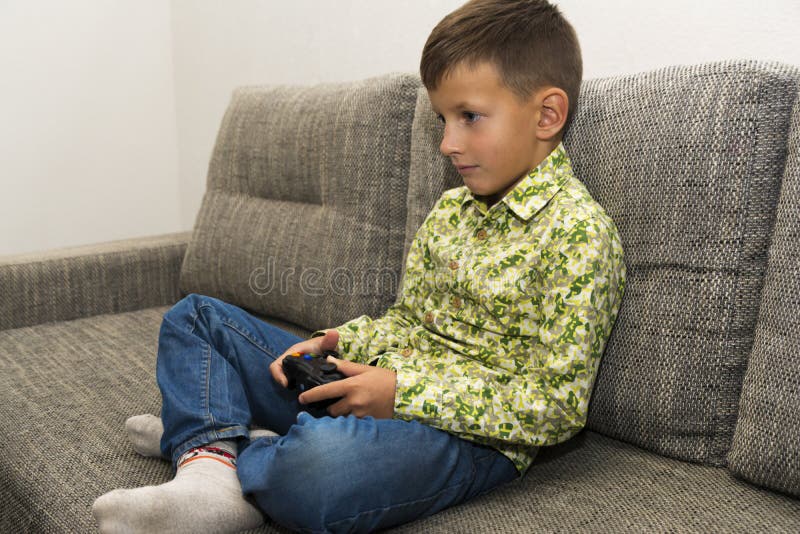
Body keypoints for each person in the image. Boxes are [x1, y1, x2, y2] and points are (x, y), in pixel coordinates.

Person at [92, 0, 625, 532]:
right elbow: (408, 322)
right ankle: (209, 468)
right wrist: (337, 342)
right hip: (372, 385)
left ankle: (212, 435)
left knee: (317, 467)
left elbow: (556, 408)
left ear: (548, 115)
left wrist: (401, 394)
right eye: (443, 118)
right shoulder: (451, 211)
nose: (447, 143)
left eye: (469, 117)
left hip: (468, 438)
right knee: (197, 318)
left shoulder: (580, 236)